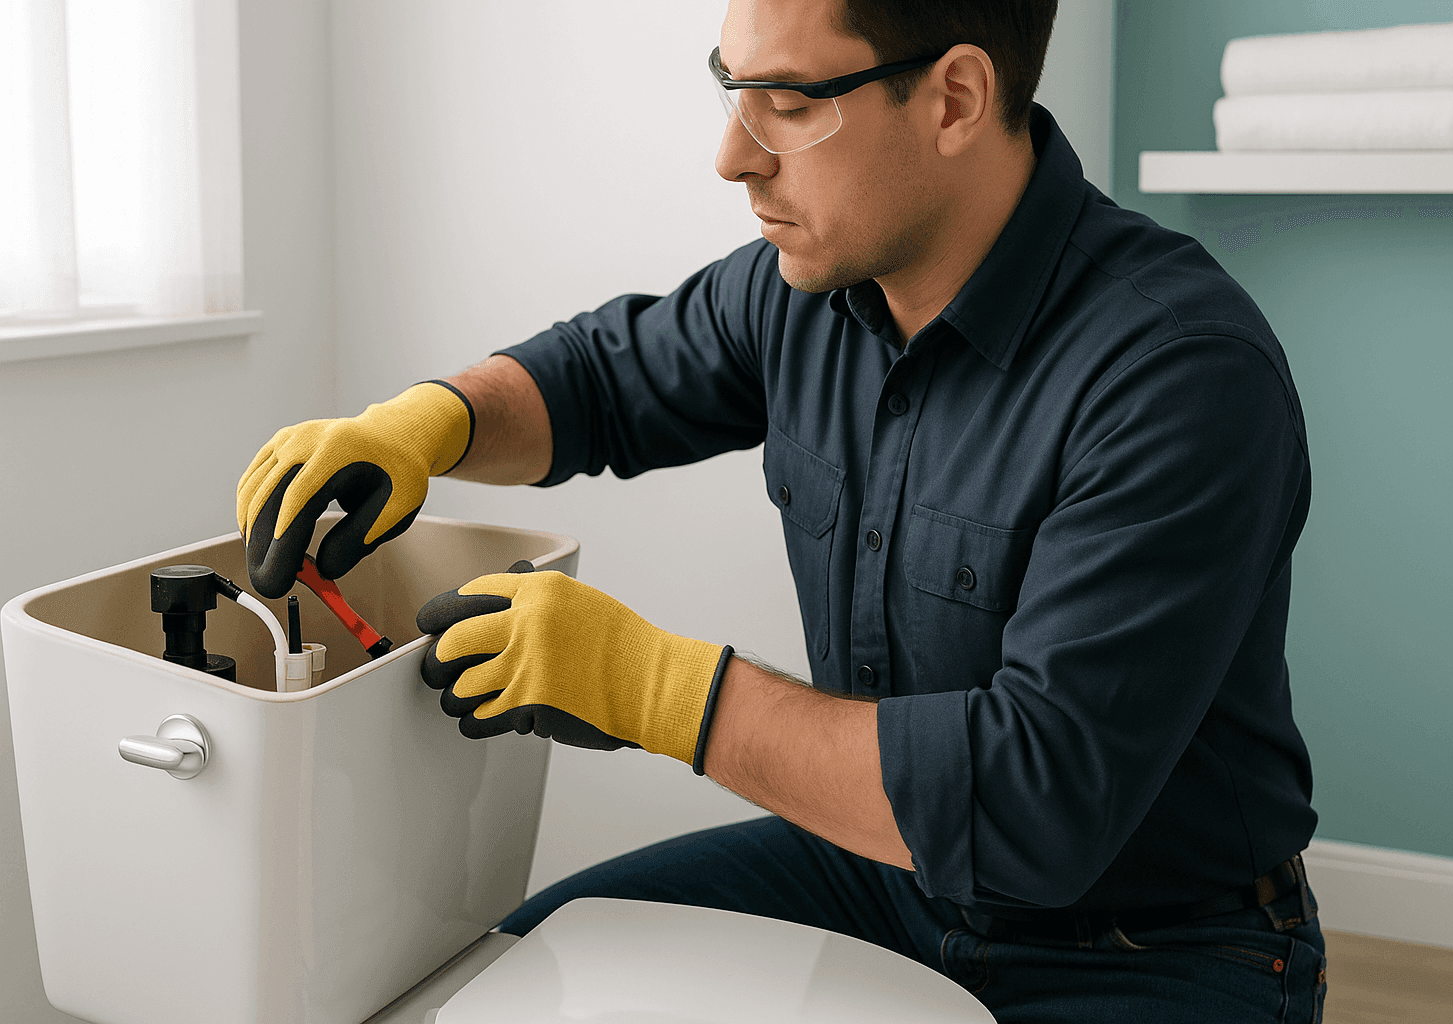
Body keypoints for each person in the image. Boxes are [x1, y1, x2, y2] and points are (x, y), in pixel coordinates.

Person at [236, 0, 1326, 1019]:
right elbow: (601, 381)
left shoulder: (1177, 372)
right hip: (880, 877)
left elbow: (1030, 803)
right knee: (522, 975)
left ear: (954, 98)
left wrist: (646, 686)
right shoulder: (807, 289)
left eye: (791, 105)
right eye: (731, 89)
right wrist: (427, 421)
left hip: (1153, 950)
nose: (733, 155)